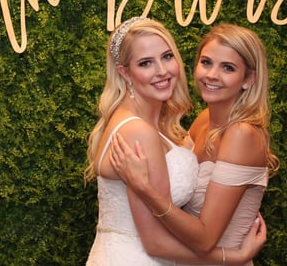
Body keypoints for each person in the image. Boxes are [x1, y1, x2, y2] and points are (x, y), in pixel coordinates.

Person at [85, 17, 266, 265]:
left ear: (249, 78)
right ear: (125, 73)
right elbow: (155, 241)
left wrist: (146, 190)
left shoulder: (239, 133)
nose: (161, 70)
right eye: (206, 62)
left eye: (228, 68)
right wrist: (235, 257)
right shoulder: (154, 127)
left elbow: (198, 232)